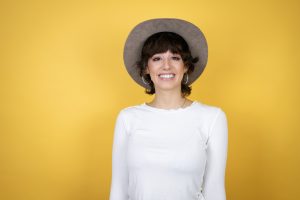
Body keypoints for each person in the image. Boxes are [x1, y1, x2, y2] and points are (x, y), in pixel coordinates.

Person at [109, 18, 228, 200]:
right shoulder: (128, 119)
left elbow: (215, 191)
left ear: (186, 66)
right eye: (157, 58)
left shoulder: (212, 118)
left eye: (175, 58)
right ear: (146, 68)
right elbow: (118, 190)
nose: (166, 66)